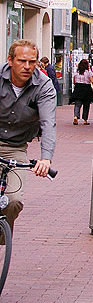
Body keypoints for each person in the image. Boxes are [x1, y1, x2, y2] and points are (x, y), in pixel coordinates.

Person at [0, 40, 56, 238]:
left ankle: (1, 237)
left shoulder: (43, 85)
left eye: (32, 62)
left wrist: (45, 158)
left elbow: (48, 123)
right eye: (22, 61)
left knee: (13, 200)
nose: (27, 67)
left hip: (16, 147)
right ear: (10, 60)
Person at [71, 58, 93, 125]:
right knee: (86, 105)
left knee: (77, 104)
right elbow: (92, 81)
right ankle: (85, 120)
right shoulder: (89, 72)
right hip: (86, 89)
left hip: (78, 88)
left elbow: (74, 81)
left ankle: (75, 117)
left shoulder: (76, 72)